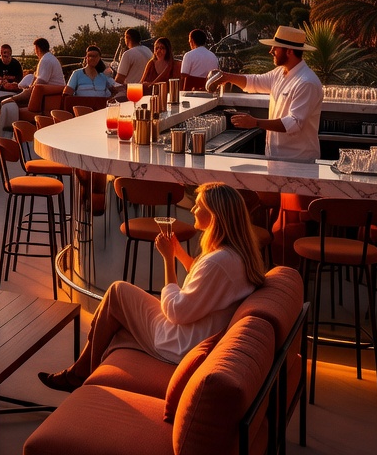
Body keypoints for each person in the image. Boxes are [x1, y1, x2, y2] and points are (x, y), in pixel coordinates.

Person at [38, 182, 265, 391]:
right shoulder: (234, 255)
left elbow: (176, 311)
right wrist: (179, 253)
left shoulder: (218, 262)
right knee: (115, 302)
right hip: (194, 330)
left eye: (199, 206)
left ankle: (81, 376)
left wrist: (167, 260)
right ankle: (83, 373)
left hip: (181, 342)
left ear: (215, 215)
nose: (193, 210)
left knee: (116, 295)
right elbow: (205, 285)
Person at [212, 25, 322, 162]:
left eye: (275, 47)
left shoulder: (306, 82)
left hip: (298, 161)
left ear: (289, 51)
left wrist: (255, 122)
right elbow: (254, 82)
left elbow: (294, 123)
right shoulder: (280, 73)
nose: (271, 51)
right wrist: (227, 77)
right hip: (276, 157)